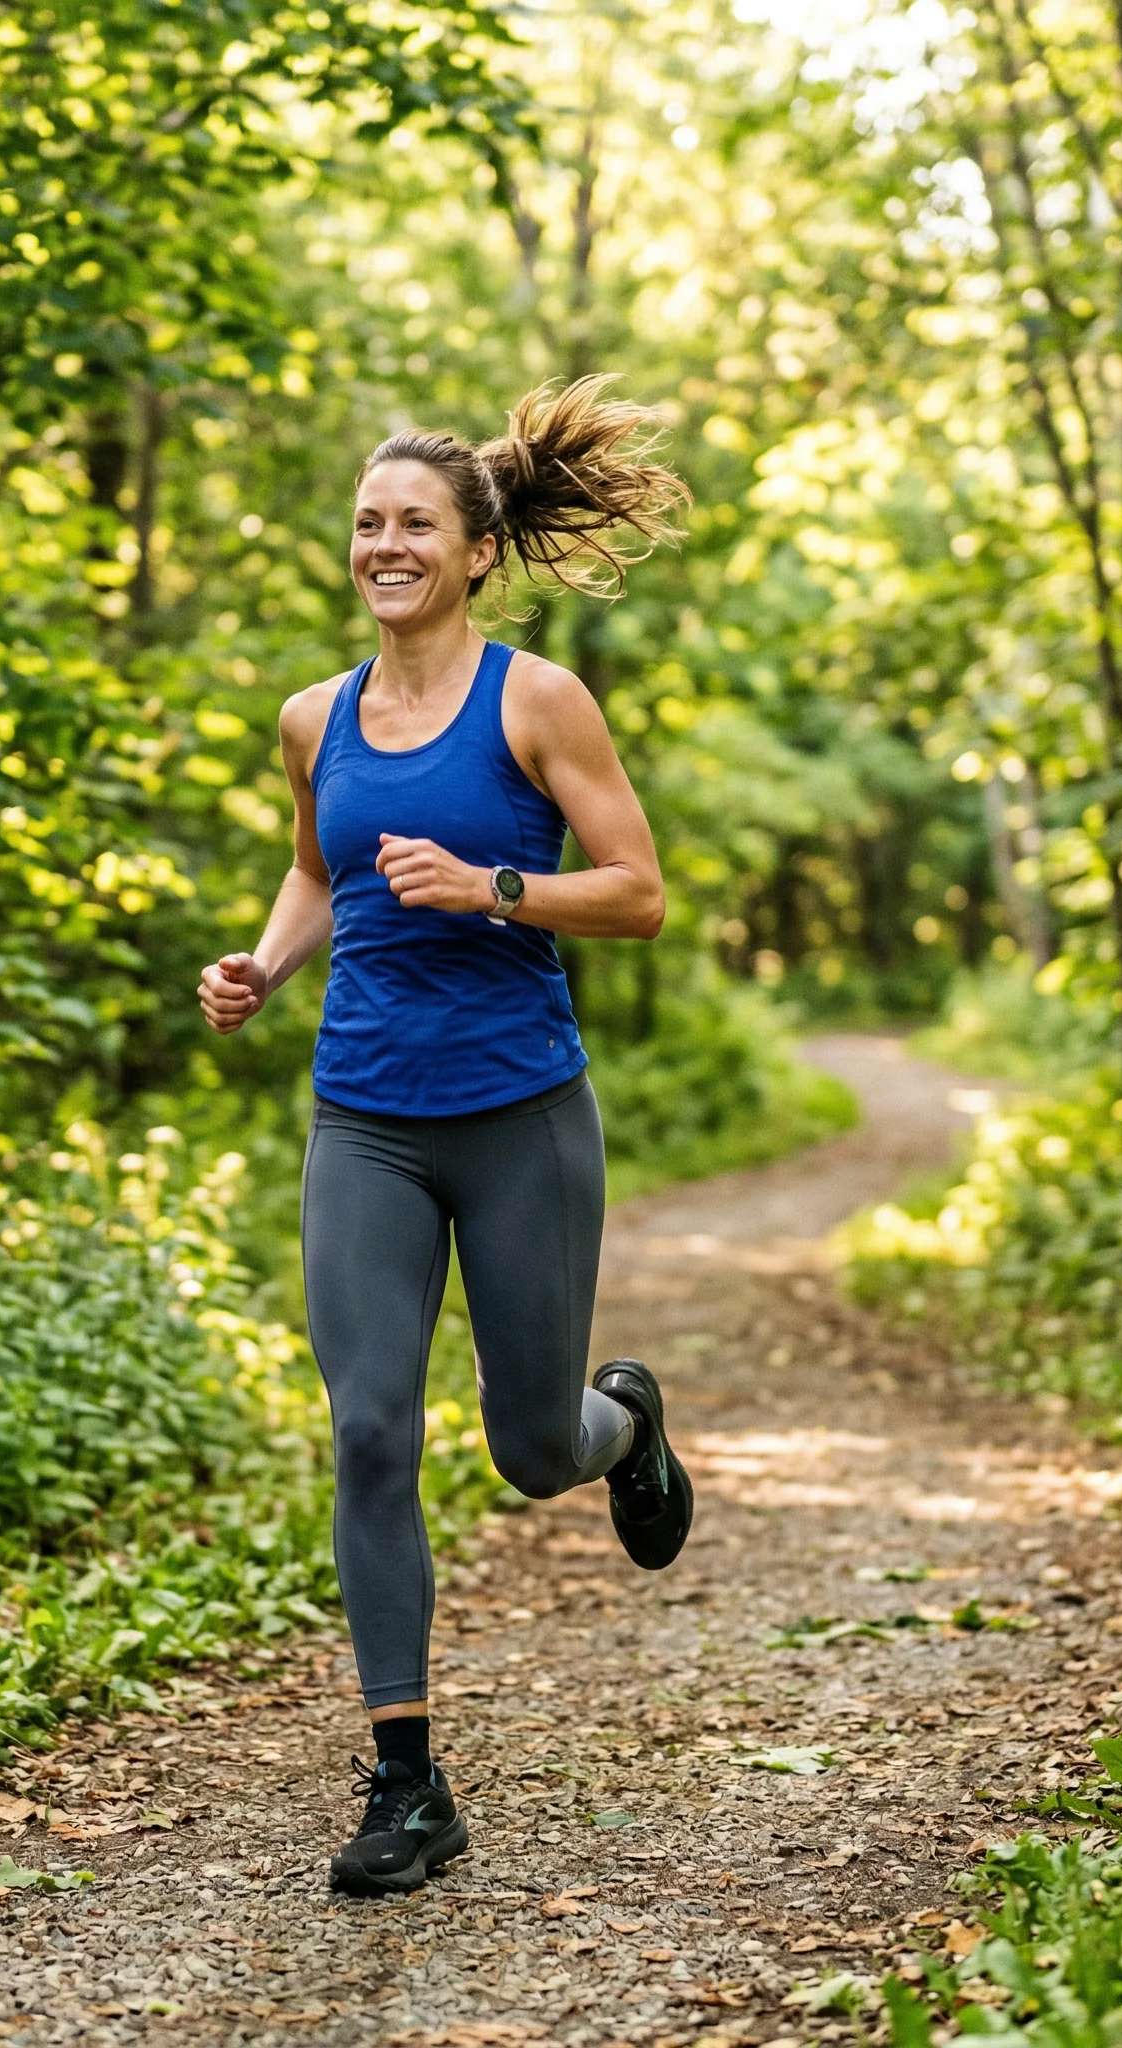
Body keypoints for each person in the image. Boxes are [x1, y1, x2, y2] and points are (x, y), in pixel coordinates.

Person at [197, 377, 696, 1898]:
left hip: (519, 1113)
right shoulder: (314, 718)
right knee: (367, 1430)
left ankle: (626, 1424)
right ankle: (406, 1782)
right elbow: (318, 873)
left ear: (477, 549)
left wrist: (490, 890)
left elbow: (639, 892)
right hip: (366, 1123)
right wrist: (266, 965)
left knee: (534, 1450)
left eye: (413, 522)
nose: (384, 544)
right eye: (366, 523)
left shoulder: (536, 701)